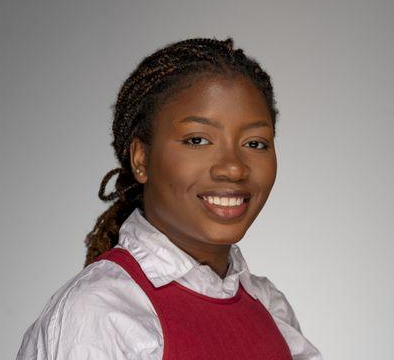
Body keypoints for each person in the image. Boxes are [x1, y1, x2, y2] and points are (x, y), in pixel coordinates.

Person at [17, 37, 323, 359]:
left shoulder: (268, 306)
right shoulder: (101, 312)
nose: (233, 168)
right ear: (141, 159)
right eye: (197, 140)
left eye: (255, 143)